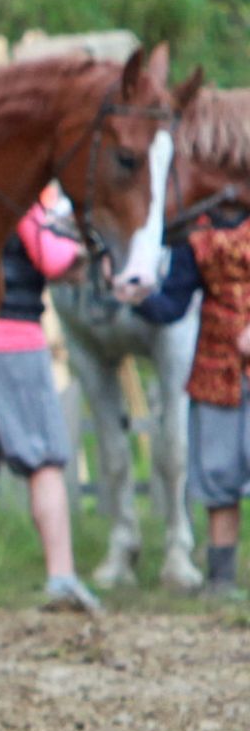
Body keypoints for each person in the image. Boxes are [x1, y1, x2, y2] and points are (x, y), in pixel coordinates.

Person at [0, 196, 101, 613]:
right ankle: (61, 579)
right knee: (45, 458)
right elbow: (55, 259)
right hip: (14, 336)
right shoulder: (20, 196)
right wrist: (87, 248)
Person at [131, 208, 250, 597]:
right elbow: (173, 306)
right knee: (219, 474)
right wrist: (136, 294)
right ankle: (220, 579)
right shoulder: (197, 234)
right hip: (217, 370)